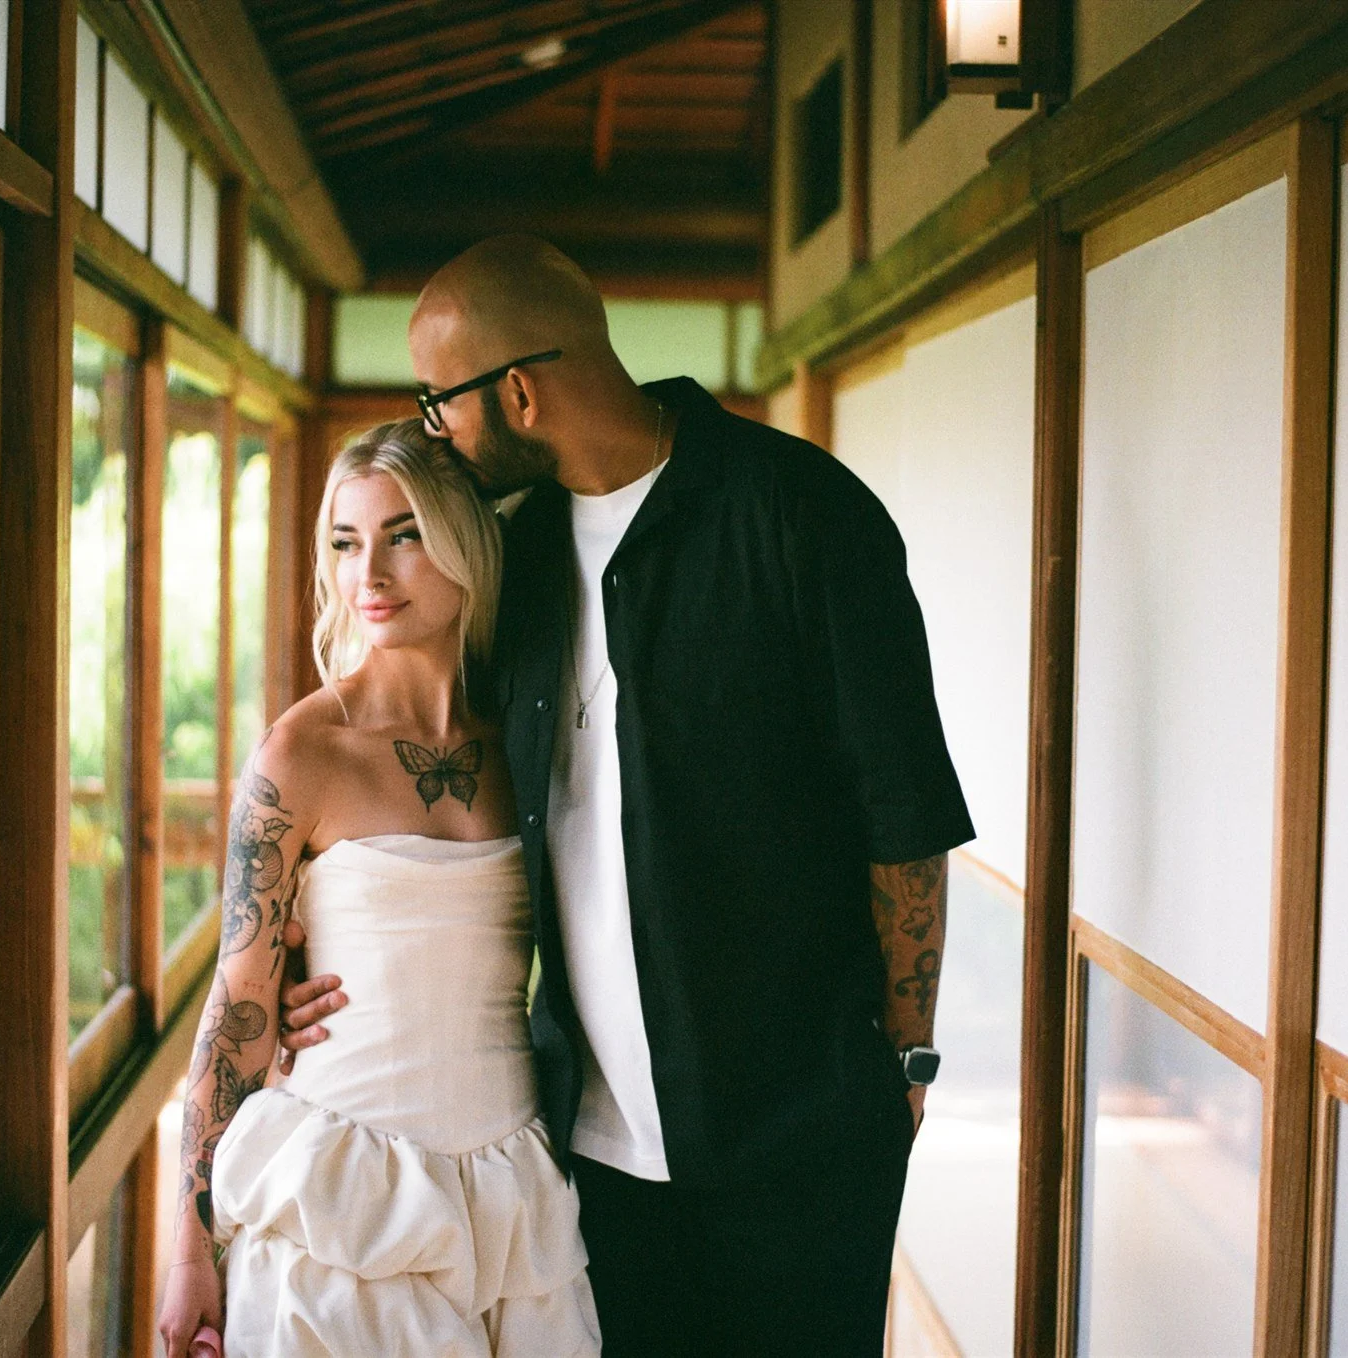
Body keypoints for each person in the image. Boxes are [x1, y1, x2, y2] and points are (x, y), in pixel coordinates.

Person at [281, 235, 973, 1355]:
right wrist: (305, 944)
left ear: (517, 392)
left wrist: (904, 1062)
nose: (431, 429)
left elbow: (905, 818)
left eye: (438, 400)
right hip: (590, 1153)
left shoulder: (801, 513)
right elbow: (422, 744)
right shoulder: (516, 563)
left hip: (802, 1140)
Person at [156, 422, 601, 1358]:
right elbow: (237, 1005)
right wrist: (189, 1254)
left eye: (405, 535)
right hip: (340, 1200)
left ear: (466, 543)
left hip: (510, 1203)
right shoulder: (300, 753)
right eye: (346, 543)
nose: (371, 574)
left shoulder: (531, 743)